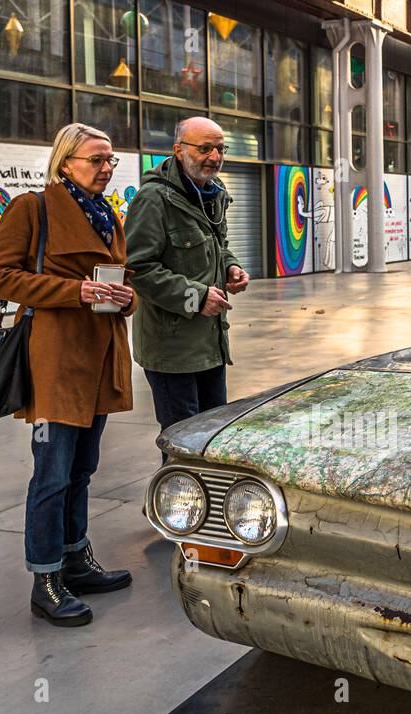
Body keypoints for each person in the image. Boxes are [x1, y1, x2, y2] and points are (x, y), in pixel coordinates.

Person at [0, 122, 137, 628]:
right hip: (56, 363)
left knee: (83, 468)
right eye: (96, 159)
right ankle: (45, 580)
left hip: (99, 359)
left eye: (110, 160)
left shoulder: (108, 214)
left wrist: (126, 297)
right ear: (65, 162)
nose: (107, 168)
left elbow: (120, 275)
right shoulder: (33, 208)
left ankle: (76, 557)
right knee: (51, 473)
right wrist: (76, 293)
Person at [123, 117, 250, 459]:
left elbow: (217, 245)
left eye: (220, 149)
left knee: (213, 438)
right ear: (178, 150)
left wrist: (231, 266)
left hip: (210, 344)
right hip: (172, 351)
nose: (214, 156)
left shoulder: (213, 192)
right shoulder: (154, 199)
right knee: (183, 445)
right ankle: (176, 509)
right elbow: (137, 268)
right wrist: (196, 297)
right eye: (204, 148)